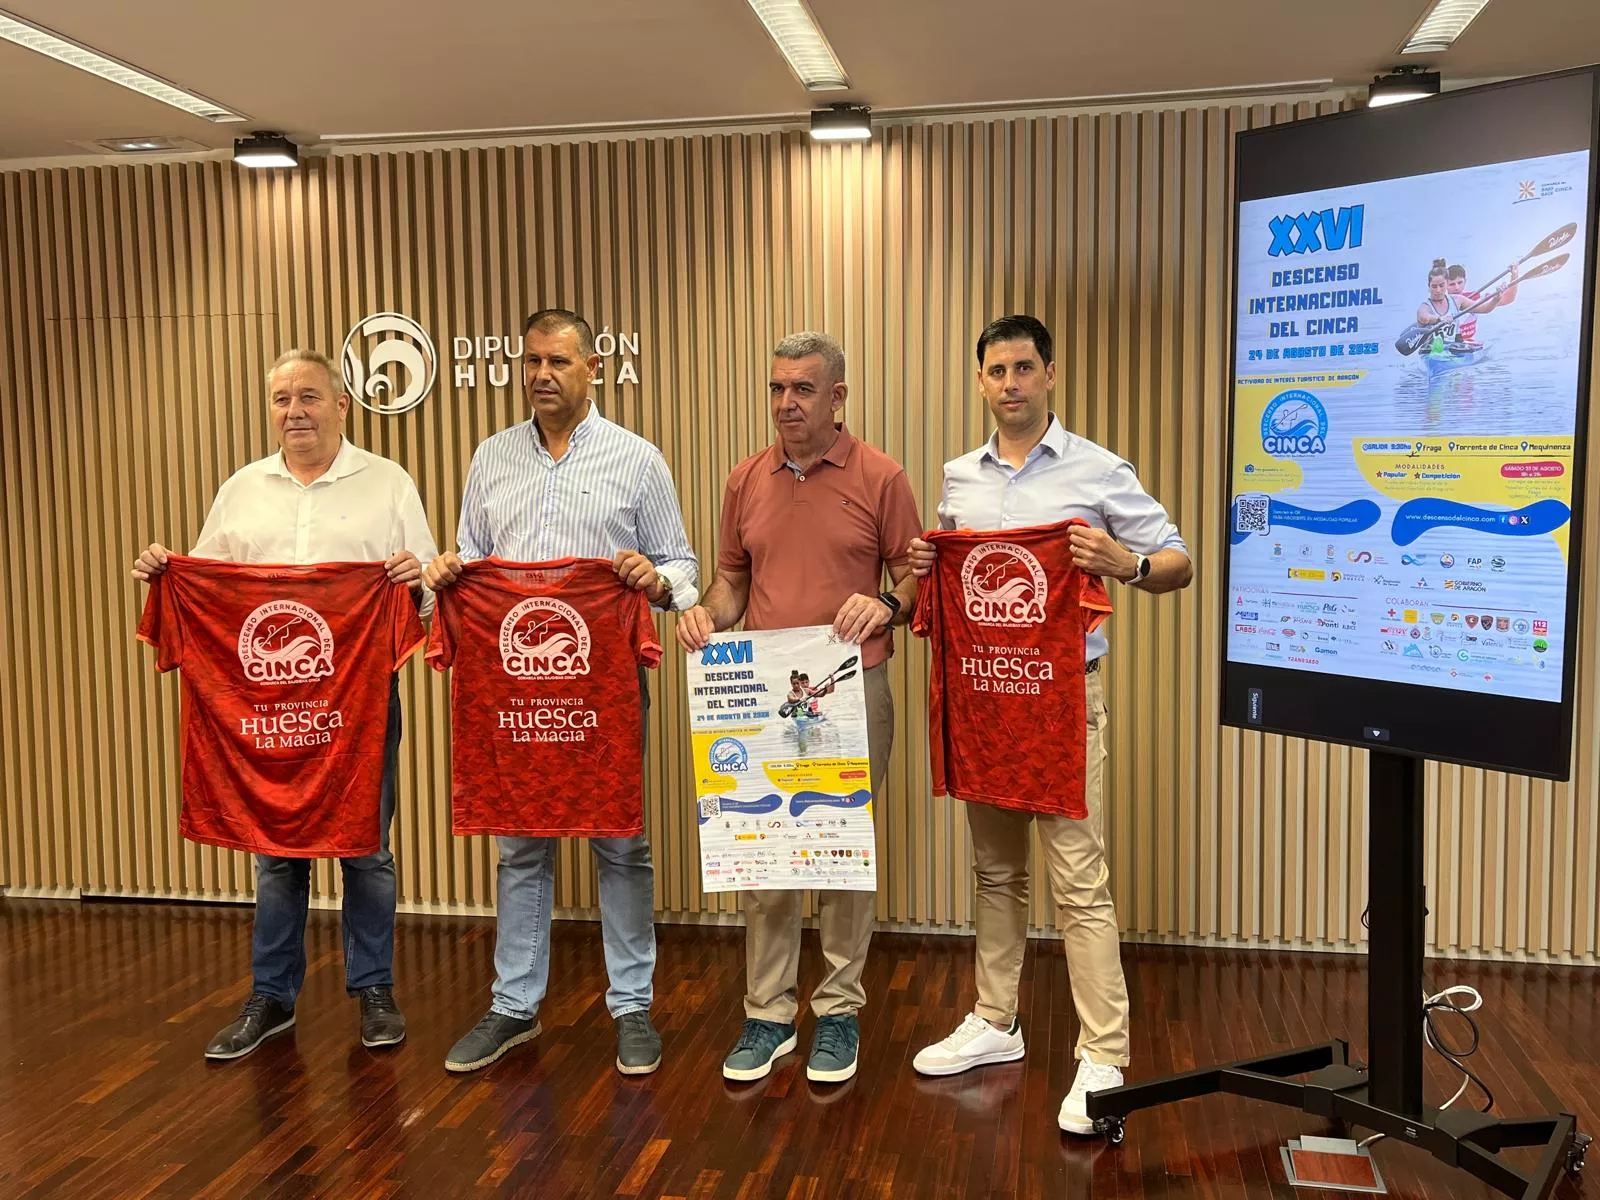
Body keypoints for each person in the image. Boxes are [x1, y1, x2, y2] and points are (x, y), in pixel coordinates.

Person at [906, 314, 1193, 1135]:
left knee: (1079, 882)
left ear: (1050, 375)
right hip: (987, 700)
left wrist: (1127, 564)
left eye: (1024, 368)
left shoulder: (1099, 469)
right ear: (981, 381)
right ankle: (996, 1020)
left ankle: (1103, 1053)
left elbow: (1178, 561)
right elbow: (957, 581)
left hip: (1065, 700)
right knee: (996, 873)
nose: (1010, 384)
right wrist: (927, 564)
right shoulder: (958, 479)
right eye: (996, 371)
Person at [130, 349, 437, 1060]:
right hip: (264, 707)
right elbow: (209, 587)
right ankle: (271, 997)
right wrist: (166, 572)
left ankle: (374, 990)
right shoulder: (242, 489)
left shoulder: (388, 483)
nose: (294, 411)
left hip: (359, 702)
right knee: (275, 853)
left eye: (308, 397)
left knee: (366, 849)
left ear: (341, 405)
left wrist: (415, 578)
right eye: (281, 399)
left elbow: (426, 593)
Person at [425, 308, 698, 1077]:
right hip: (513, 692)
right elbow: (473, 561)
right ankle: (513, 1006)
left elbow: (683, 566)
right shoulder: (491, 458)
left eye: (558, 361)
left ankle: (632, 1006)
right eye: (532, 361)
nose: (542, 375)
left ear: (592, 368)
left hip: (605, 689)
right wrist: (448, 572)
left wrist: (655, 579)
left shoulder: (637, 460)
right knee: (520, 847)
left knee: (621, 843)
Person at [676, 331, 921, 1085]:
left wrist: (886, 604)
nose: (787, 403)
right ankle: (768, 1014)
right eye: (777, 388)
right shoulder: (744, 479)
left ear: (837, 397)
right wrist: (706, 615)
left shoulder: (881, 476)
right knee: (765, 851)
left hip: (851, 691)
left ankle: (839, 1010)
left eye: (803, 389)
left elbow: (914, 579)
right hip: (762, 699)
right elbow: (731, 582)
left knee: (842, 851)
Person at [1445, 260, 1518, 346]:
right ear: (1445, 285)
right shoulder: (1439, 302)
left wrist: (1514, 276)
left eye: (1460, 282)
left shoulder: (1476, 297)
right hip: (1447, 345)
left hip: (1468, 345)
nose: (1457, 287)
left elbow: (1509, 298)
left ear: (1465, 281)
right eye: (1452, 284)